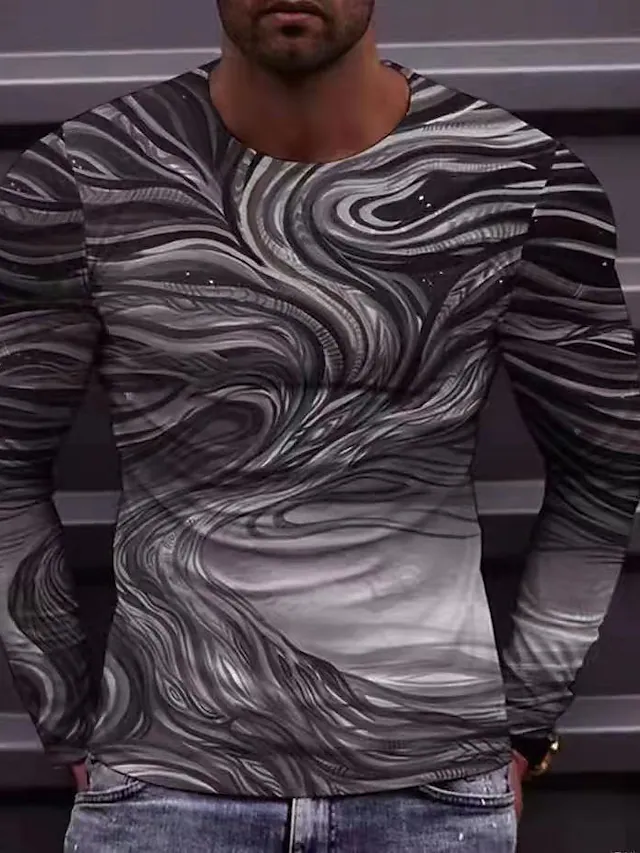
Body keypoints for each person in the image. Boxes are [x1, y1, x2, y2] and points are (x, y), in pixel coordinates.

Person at [0, 0, 639, 850]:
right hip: (164, 787)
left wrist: (524, 719)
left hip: (432, 791)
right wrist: (68, 720)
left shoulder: (516, 179)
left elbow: (607, 464)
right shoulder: (84, 178)